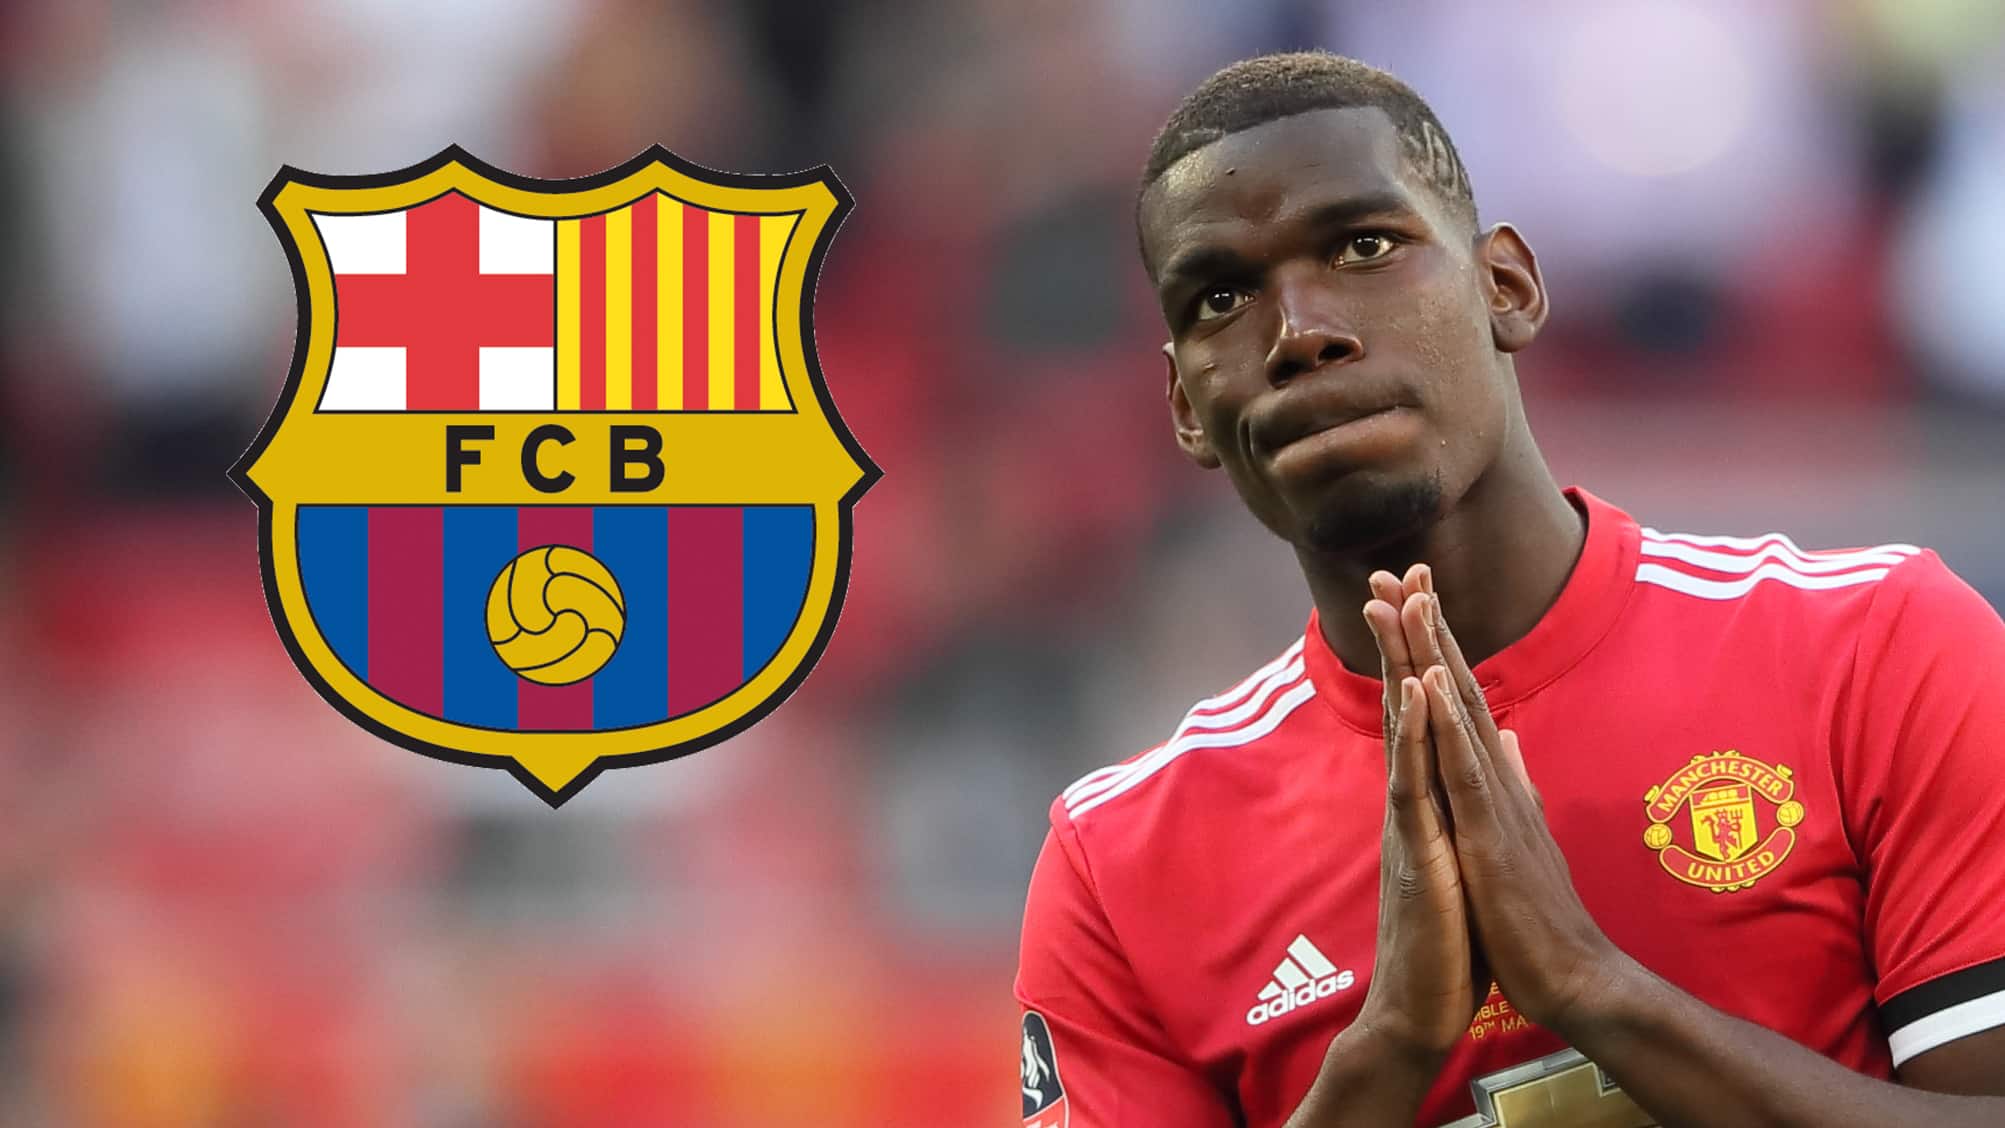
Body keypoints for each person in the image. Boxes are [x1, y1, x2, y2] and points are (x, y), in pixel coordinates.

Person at [1013, 51, 2005, 1128]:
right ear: (1185, 409)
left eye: (1362, 245)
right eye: (1220, 297)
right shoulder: (1119, 867)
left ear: (1508, 288)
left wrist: (1592, 988)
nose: (1299, 332)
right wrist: (1387, 1052)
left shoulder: (1873, 651)